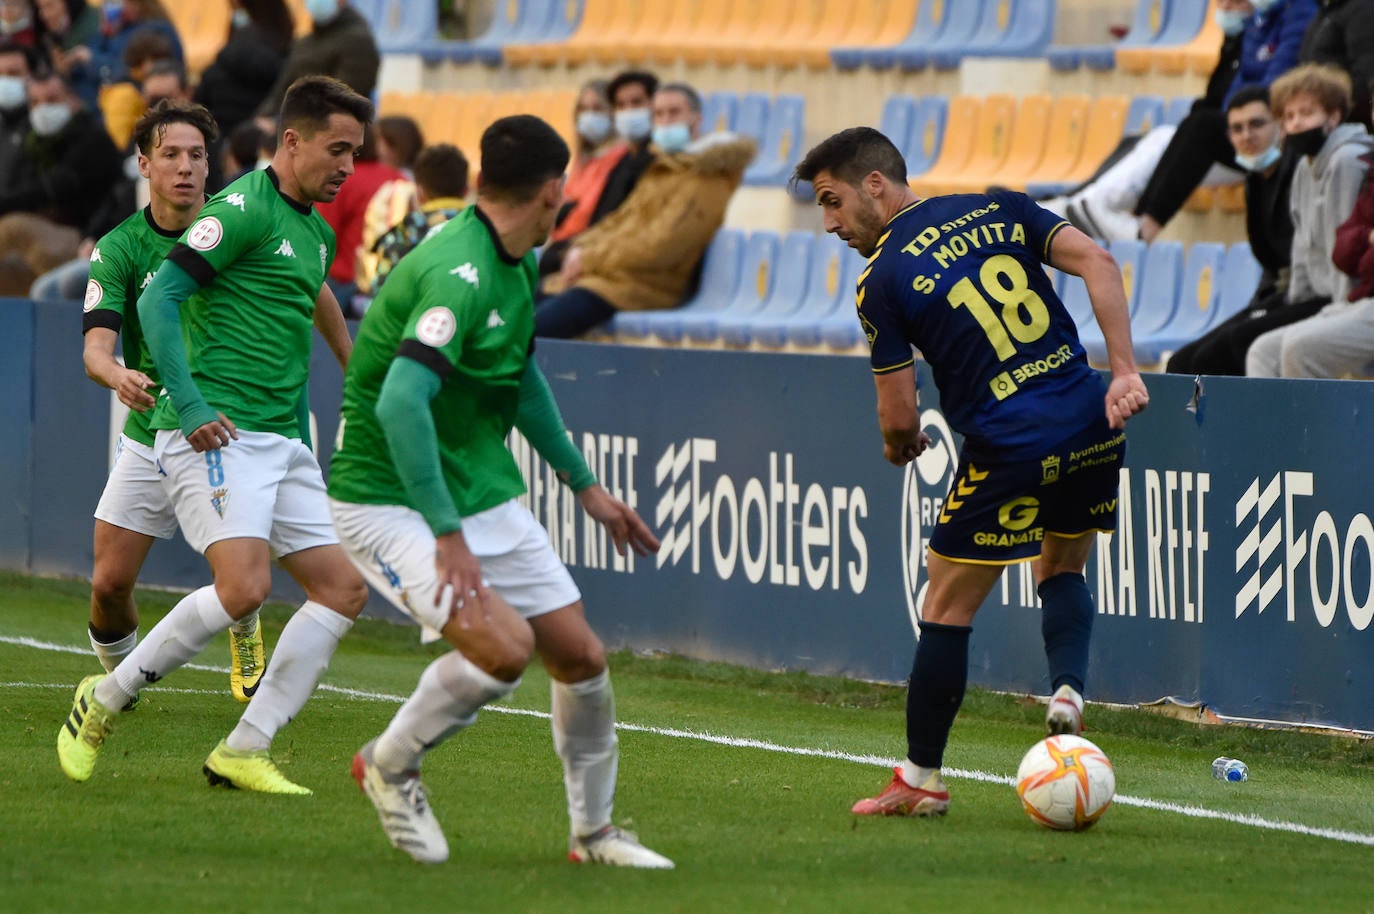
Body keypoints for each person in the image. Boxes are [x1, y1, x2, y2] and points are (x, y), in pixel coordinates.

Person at [327, 114, 673, 869]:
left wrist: (587, 489)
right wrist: (448, 536)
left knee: (579, 656)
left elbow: (519, 380)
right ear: (553, 191)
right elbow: (398, 403)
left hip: (472, 488)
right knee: (504, 649)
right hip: (388, 497)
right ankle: (390, 764)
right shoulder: (459, 271)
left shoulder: (514, 261)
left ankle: (594, 835)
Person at [791, 127, 1148, 817]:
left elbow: (898, 418)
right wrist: (1125, 370)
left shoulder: (882, 280)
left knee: (946, 606)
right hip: (1091, 420)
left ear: (875, 184)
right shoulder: (1000, 206)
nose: (830, 223)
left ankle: (919, 780)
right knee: (1062, 568)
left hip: (1012, 445)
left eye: (832, 202)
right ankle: (1068, 687)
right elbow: (1100, 260)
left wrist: (901, 446)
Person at [57, 75, 367, 794]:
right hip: (213, 431)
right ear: (292, 141)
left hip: (280, 439)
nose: (348, 167)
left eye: (357, 151)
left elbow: (311, 291)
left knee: (343, 589)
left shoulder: (311, 230)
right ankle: (100, 701)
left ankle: (243, 747)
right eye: (338, 149)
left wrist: (358, 372)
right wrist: (191, 405)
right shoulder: (239, 211)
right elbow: (162, 294)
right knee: (240, 587)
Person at [77, 98, 269, 704]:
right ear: (144, 164)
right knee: (108, 583)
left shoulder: (234, 226)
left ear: (210, 167)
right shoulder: (119, 247)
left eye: (196, 156)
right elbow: (95, 349)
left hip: (222, 419)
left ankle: (244, 626)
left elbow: (311, 292)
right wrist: (116, 376)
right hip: (149, 428)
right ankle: (124, 680)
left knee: (232, 563)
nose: (185, 167)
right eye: (171, 155)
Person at [534, 82, 755, 338]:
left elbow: (663, 245)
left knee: (533, 332)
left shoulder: (707, 177)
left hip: (645, 285)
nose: (666, 120)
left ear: (696, 119)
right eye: (659, 114)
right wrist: (580, 249)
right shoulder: (664, 168)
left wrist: (590, 259)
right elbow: (620, 221)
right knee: (517, 317)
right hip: (613, 278)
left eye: (674, 112)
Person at [1166, 87, 1314, 374]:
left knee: (1225, 349)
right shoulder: (1254, 181)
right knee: (1180, 363)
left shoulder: (1299, 172)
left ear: (1281, 126)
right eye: (1237, 128)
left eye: (1257, 124)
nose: (1247, 135)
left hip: (1306, 294)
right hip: (1275, 295)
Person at [1247, 64, 1374, 375]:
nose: (1297, 124)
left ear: (1332, 116)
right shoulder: (1306, 164)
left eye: (1306, 113)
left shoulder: (1349, 160)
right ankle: (1273, 426)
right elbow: (1341, 248)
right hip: (1349, 297)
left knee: (1298, 347)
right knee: (1261, 351)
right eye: (1289, 117)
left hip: (1347, 295)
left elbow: (1348, 257)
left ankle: (1311, 426)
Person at [0, 68, 123, 296]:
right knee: (8, 268)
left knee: (11, 228)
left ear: (74, 100)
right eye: (35, 102)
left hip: (88, 236)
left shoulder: (91, 138)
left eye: (52, 100)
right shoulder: (32, 141)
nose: (42, 109)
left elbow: (51, 190)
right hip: (49, 235)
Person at [536, 78, 629, 285]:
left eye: (597, 108)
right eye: (584, 109)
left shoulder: (619, 158)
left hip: (583, 247)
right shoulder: (583, 161)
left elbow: (586, 214)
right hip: (562, 245)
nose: (589, 116)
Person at [314, 122, 403, 314]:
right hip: (391, 286)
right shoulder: (400, 179)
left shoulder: (339, 181)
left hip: (343, 284)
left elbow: (320, 234)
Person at [254, 0, 378, 129]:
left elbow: (345, 100)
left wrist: (280, 124)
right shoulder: (304, 42)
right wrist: (263, 117)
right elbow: (281, 90)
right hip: (294, 125)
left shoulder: (358, 41)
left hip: (330, 131)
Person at [368, 140, 467, 296]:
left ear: (419, 193)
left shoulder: (409, 230)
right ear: (466, 191)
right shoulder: (476, 225)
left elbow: (381, 289)